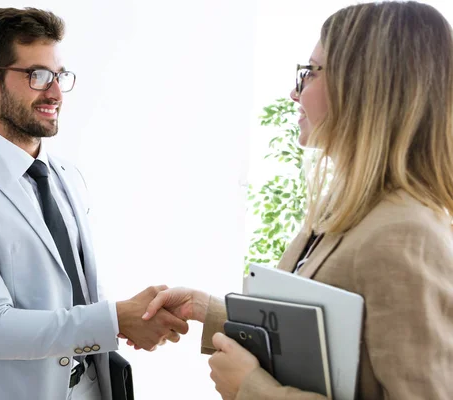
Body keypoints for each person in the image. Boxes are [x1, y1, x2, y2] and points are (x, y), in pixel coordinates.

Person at [141, 2, 453, 399]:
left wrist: (251, 388)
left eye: (309, 73)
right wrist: (210, 311)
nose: (294, 92)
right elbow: (326, 342)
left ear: (362, 85)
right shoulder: (347, 211)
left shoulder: (406, 233)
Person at [0, 7, 187, 400]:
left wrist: (135, 320)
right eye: (37, 76)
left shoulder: (68, 176)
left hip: (91, 386)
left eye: (59, 76)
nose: (54, 92)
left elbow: (75, 292)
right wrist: (114, 320)